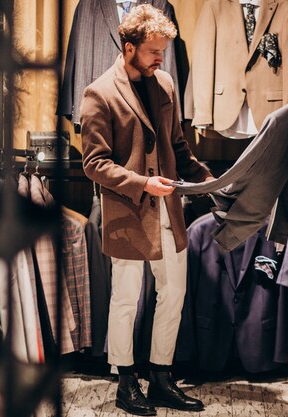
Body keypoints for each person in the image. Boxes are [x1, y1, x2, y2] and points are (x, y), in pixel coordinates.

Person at [80, 4, 214, 416]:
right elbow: (94, 164)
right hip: (128, 209)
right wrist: (142, 184)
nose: (160, 58)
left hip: (169, 207)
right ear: (129, 46)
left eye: (163, 51)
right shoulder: (99, 93)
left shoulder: (166, 84)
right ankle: (125, 382)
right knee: (126, 297)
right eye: (154, 51)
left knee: (174, 293)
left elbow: (177, 147)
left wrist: (210, 182)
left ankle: (160, 377)